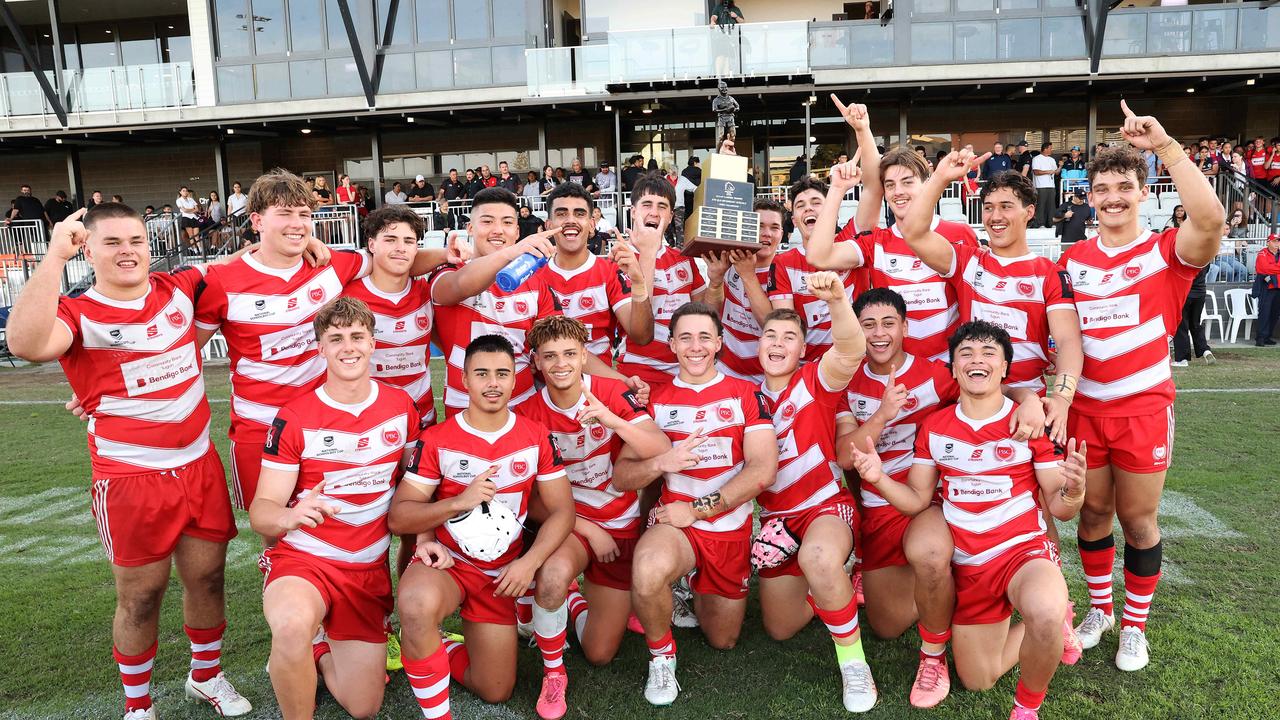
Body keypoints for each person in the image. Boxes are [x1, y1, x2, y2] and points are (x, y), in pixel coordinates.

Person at [7, 203, 253, 720]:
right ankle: (137, 706)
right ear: (88, 250)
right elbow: (25, 343)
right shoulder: (79, 313)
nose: (127, 251)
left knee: (208, 579)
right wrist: (53, 255)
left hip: (199, 463)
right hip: (131, 478)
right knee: (141, 596)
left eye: (136, 240)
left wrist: (313, 245)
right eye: (112, 242)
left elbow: (250, 259)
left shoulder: (179, 288)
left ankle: (205, 677)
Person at [852, 320, 1089, 720]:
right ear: (953, 367)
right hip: (968, 561)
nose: (976, 360)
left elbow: (1061, 509)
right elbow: (915, 502)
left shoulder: (1029, 423)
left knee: (1044, 611)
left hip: (1020, 553)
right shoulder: (935, 427)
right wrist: (878, 478)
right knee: (979, 678)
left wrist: (1074, 492)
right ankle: (1054, 623)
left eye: (988, 354)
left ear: (1004, 369)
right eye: (966, 354)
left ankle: (1026, 709)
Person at [1059, 101, 1225, 672]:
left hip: (1144, 410)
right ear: (1089, 195)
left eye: (1123, 186)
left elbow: (1210, 221)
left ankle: (1134, 628)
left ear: (1144, 192)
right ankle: (1100, 611)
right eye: (1101, 187)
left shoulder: (1165, 253)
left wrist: (1166, 147)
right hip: (1085, 411)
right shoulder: (1072, 260)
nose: (1111, 196)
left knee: (1138, 520)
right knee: (1092, 515)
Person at [193, 169, 457, 513]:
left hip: (326, 425)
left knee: (336, 520)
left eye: (304, 215)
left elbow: (395, 260)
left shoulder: (331, 266)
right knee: (274, 528)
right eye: (284, 213)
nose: (297, 223)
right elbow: (186, 351)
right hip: (259, 426)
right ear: (257, 220)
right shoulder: (222, 280)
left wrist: (446, 256)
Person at [250, 296, 418, 719]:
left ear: (373, 343)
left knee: (363, 708)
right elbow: (262, 510)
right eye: (336, 338)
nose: (348, 346)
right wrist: (289, 516)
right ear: (320, 348)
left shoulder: (401, 407)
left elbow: (415, 489)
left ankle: (319, 650)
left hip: (366, 569)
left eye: (357, 336)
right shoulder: (294, 417)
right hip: (307, 560)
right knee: (289, 628)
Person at [391, 334, 575, 720]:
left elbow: (562, 512)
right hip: (450, 564)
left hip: (503, 572)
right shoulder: (438, 439)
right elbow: (400, 516)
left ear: (514, 380)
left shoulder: (535, 436)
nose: (493, 383)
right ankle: (438, 713)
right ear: (464, 379)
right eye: (482, 374)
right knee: (415, 605)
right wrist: (458, 501)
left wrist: (529, 564)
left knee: (494, 688)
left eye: (502, 374)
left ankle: (441, 646)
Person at [613, 302, 778, 707]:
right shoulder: (654, 401)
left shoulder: (746, 393)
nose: (695, 346)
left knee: (723, 639)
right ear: (671, 344)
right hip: (676, 525)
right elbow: (621, 476)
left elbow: (762, 470)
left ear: (719, 342)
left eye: (705, 336)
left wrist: (700, 509)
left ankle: (690, 584)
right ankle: (661, 657)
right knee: (649, 568)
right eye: (685, 337)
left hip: (728, 529)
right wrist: (659, 462)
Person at [518, 316, 671, 719]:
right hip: (575, 525)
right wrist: (586, 528)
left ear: (585, 355)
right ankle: (554, 674)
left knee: (600, 653)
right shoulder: (530, 414)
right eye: (549, 356)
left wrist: (611, 418)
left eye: (570, 353)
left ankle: (573, 601)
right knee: (551, 575)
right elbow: (527, 502)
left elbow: (658, 446)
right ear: (535, 362)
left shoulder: (610, 392)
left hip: (621, 522)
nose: (561, 364)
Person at [752, 273, 876, 712]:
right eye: (770, 334)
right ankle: (833, 590)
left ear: (804, 349)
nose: (779, 342)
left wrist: (839, 301)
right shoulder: (744, 396)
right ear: (758, 344)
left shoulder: (813, 381)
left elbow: (851, 349)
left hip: (825, 506)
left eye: (790, 336)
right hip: (776, 522)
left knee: (818, 557)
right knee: (780, 628)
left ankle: (854, 663)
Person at [832, 288, 960, 709]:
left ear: (905, 327)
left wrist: (1030, 397)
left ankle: (934, 654)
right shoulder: (846, 379)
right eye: (868, 324)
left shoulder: (935, 374)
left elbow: (983, 398)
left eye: (889, 323)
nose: (879, 333)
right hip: (878, 503)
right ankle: (945, 594)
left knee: (927, 552)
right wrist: (884, 412)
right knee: (886, 626)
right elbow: (843, 454)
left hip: (927, 496)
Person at [900, 160, 1084, 446]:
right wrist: (940, 178)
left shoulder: (1050, 273)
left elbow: (1069, 341)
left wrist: (1061, 398)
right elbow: (912, 231)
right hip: (971, 403)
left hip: (1028, 408)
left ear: (1029, 212)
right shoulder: (968, 262)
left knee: (1043, 489)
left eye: (1006, 206)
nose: (995, 216)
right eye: (988, 207)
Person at [806, 95, 978, 362]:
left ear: (926, 183)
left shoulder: (960, 234)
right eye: (890, 185)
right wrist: (837, 189)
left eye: (908, 182)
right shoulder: (876, 242)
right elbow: (818, 257)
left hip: (949, 374)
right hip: (896, 372)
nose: (898, 192)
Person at [429, 187, 622, 418]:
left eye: (507, 222)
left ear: (517, 230)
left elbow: (563, 346)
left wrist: (624, 380)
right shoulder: (448, 272)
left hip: (524, 410)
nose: (498, 230)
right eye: (487, 221)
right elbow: (459, 286)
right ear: (470, 228)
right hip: (464, 412)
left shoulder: (537, 283)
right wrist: (511, 254)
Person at [540, 182, 656, 366]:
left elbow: (642, 336)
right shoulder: (534, 275)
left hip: (599, 386)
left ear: (591, 224)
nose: (571, 220)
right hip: (544, 385)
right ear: (548, 225)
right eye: (561, 214)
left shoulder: (610, 270)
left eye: (579, 214)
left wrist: (638, 282)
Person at [614, 176, 708, 385]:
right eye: (647, 205)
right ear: (634, 211)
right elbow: (639, 331)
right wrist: (648, 253)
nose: (654, 213)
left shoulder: (683, 258)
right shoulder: (619, 259)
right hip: (638, 374)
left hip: (686, 372)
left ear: (671, 215)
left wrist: (717, 279)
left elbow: (705, 312)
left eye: (662, 206)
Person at [703, 198, 785, 384]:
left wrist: (748, 276)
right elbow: (711, 316)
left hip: (765, 380)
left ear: (782, 233)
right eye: (759, 226)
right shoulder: (729, 262)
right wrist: (715, 282)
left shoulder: (785, 271)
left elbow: (773, 326)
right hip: (724, 372)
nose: (766, 234)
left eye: (774, 227)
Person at [1171, 263, 1213, 366]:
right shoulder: (1204, 258)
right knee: (1195, 324)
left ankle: (1182, 358)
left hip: (1185, 294)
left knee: (1181, 326)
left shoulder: (1186, 259)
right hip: (1200, 293)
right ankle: (1205, 350)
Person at [1255, 233, 1280, 346]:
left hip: (1278, 287)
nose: (1277, 244)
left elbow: (1269, 269)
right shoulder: (1262, 253)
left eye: (1278, 241)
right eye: (1274, 241)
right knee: (1264, 312)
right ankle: (1260, 337)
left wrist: (1272, 271)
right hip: (1267, 287)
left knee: (1274, 313)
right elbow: (1263, 269)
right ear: (1268, 242)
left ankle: (1268, 336)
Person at [1030, 143, 1060, 228]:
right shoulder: (1036, 159)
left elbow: (1056, 172)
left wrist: (1060, 166)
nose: (1051, 150)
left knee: (1051, 205)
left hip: (1051, 185)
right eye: (1050, 148)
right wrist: (1048, 172)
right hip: (1040, 186)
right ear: (1045, 149)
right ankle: (1040, 223)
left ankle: (1051, 223)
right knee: (1041, 205)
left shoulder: (1052, 159)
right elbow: (1036, 172)